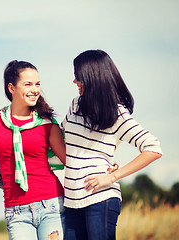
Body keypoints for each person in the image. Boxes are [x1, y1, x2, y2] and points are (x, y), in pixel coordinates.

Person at [61, 49, 163, 240]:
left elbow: (153, 147)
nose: (74, 81)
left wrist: (113, 176)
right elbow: (59, 137)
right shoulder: (75, 104)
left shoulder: (117, 113)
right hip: (72, 201)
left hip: (101, 199)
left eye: (77, 76)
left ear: (92, 77)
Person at [0, 60, 66, 240]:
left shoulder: (47, 123)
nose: (35, 90)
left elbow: (70, 161)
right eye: (28, 84)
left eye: (37, 84)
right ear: (11, 88)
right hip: (15, 211)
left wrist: (101, 163)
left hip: (51, 204)